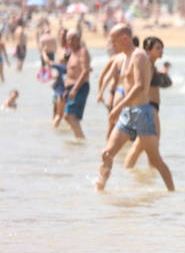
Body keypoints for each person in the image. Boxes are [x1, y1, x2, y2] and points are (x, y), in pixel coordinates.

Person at [96, 25, 173, 192]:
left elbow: (139, 86)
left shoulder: (139, 56)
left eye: (113, 41)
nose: (111, 44)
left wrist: (117, 107)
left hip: (142, 112)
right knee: (107, 153)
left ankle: (172, 193)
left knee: (155, 159)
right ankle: (99, 190)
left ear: (124, 38)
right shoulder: (124, 57)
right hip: (127, 114)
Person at [122, 37, 175, 188]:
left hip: (151, 109)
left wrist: (164, 72)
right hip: (149, 108)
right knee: (141, 146)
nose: (161, 51)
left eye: (162, 48)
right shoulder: (147, 66)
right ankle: (128, 174)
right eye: (158, 48)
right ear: (148, 50)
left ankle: (147, 178)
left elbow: (165, 83)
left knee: (146, 147)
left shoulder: (151, 66)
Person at [57, 32, 91, 139]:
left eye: (73, 39)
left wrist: (75, 89)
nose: (70, 42)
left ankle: (81, 139)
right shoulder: (72, 54)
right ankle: (79, 140)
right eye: (68, 40)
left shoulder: (83, 52)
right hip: (71, 88)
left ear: (79, 39)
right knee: (67, 116)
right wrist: (67, 90)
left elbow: (85, 71)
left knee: (70, 116)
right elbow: (70, 73)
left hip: (80, 87)